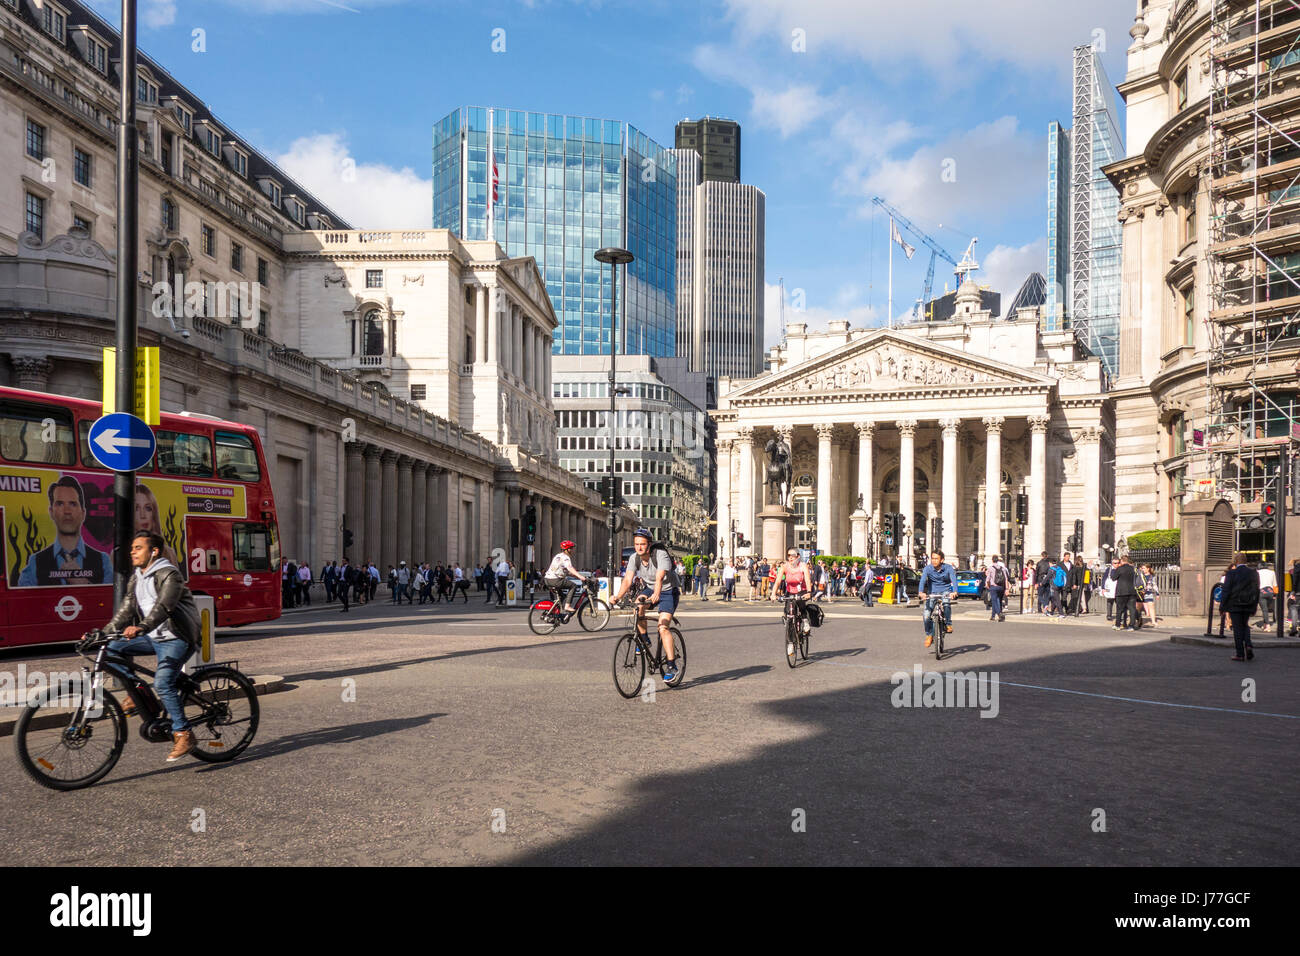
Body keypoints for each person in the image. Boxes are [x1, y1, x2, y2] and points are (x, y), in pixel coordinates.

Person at [102, 531, 201, 762]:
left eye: (138, 548)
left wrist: (142, 627)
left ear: (154, 551)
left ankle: (184, 733)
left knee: (163, 682)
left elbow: (164, 607)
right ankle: (140, 695)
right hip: (154, 635)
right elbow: (127, 609)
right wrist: (104, 632)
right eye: (132, 548)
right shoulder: (138, 576)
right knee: (112, 649)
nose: (132, 552)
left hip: (178, 637)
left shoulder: (169, 574)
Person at [612, 529, 681, 683]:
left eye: (642, 544)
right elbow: (628, 579)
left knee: (663, 627)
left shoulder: (660, 555)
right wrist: (617, 597)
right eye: (636, 544)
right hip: (650, 589)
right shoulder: (634, 558)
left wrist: (657, 593)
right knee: (638, 605)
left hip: (668, 591)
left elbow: (660, 576)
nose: (639, 547)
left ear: (649, 544)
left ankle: (671, 665)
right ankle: (644, 639)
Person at [18, 475, 112, 587]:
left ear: (83, 513)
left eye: (73, 504)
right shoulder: (35, 562)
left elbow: (112, 600)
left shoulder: (103, 561)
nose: (67, 511)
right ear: (51, 512)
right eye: (60, 504)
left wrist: (82, 582)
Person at [770, 547, 813, 658]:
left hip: (801, 591)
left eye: (792, 556)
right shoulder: (784, 567)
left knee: (801, 603)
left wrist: (808, 592)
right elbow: (778, 581)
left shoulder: (803, 566)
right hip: (790, 591)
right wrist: (773, 594)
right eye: (788, 555)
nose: (790, 558)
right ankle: (790, 642)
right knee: (788, 613)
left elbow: (808, 580)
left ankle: (805, 621)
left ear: (798, 556)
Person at [1221, 552, 1259, 661]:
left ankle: (1240, 654)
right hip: (1248, 603)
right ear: (1245, 561)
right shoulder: (1253, 573)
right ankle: (1248, 644)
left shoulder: (1231, 573)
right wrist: (1254, 606)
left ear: (1236, 561)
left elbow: (1226, 590)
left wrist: (1223, 606)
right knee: (1245, 625)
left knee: (1237, 628)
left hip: (1235, 604)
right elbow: (1256, 590)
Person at [919, 549, 958, 649]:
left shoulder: (948, 568)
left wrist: (954, 592)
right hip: (932, 593)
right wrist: (921, 592)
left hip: (945, 591)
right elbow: (923, 580)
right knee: (926, 615)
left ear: (942, 560)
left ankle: (948, 624)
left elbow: (953, 580)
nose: (934, 561)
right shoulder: (928, 569)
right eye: (932, 558)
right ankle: (929, 634)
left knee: (946, 603)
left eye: (936, 559)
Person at [544, 541, 584, 614]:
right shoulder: (566, 558)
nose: (573, 550)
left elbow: (564, 571)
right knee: (573, 586)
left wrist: (576, 576)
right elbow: (569, 568)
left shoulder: (558, 556)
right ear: (567, 549)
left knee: (561, 596)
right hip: (555, 580)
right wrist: (580, 576)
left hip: (547, 579)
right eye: (571, 548)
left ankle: (554, 613)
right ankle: (567, 606)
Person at [1111, 555, 1139, 630]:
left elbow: (1113, 578)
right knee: (1132, 609)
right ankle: (1131, 626)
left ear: (1122, 561)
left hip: (1121, 591)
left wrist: (1115, 570)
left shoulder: (1119, 569)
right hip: (1132, 591)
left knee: (1119, 609)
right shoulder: (1133, 569)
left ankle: (1118, 625)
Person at [985, 554, 1009, 622]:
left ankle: (999, 614)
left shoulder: (991, 568)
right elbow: (1006, 579)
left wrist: (987, 585)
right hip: (1001, 587)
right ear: (998, 560)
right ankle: (993, 616)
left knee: (994, 601)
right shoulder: (1003, 568)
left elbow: (988, 579)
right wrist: (1007, 589)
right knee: (999, 601)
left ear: (992, 560)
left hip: (994, 587)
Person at [1256, 561, 1277, 630]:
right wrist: (1275, 594)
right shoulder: (1272, 572)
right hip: (1270, 592)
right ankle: (1265, 624)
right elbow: (1275, 584)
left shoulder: (1257, 572)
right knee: (1266, 610)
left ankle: (1267, 625)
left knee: (1264, 610)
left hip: (1261, 592)